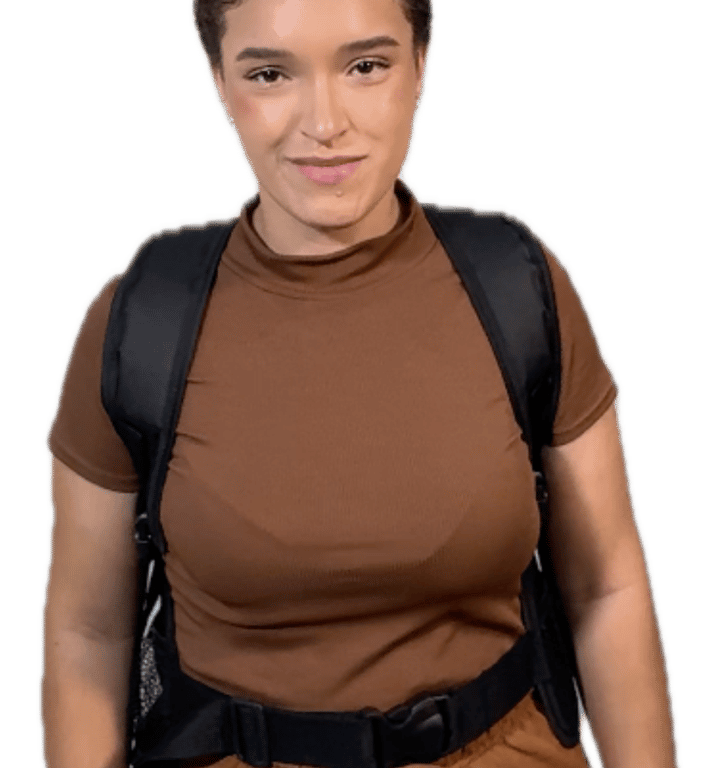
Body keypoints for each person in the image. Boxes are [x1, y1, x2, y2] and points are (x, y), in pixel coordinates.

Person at [39, 1, 679, 767]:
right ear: (216, 79)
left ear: (420, 66)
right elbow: (88, 632)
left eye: (366, 66)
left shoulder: (516, 283)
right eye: (269, 74)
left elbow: (606, 587)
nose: (324, 123)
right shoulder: (141, 319)